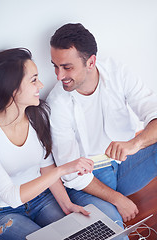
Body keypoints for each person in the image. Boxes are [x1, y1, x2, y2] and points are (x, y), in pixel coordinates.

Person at [47, 23, 157, 232]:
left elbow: (153, 111)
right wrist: (116, 199)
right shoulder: (57, 103)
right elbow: (71, 174)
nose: (59, 76)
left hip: (124, 164)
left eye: (67, 67)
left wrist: (136, 143)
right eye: (55, 65)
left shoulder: (117, 71)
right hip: (88, 180)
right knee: (112, 231)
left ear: (91, 62)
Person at [0, 48, 94, 240]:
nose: (40, 85)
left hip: (42, 199)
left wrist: (67, 206)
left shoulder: (36, 115)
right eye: (33, 80)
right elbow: (11, 196)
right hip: (4, 212)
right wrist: (63, 169)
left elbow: (46, 167)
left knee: (78, 235)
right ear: (11, 87)